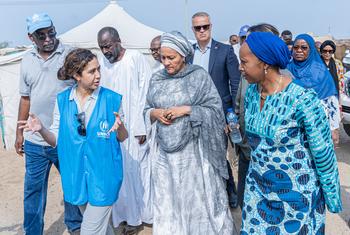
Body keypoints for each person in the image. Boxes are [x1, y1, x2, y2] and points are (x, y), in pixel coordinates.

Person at [239, 31, 342, 234]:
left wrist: (332, 197)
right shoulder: (251, 93)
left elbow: (323, 152)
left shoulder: (302, 99)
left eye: (244, 62)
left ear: (265, 63)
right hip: (258, 194)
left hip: (296, 199)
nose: (240, 68)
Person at [18, 48, 127, 235]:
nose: (98, 75)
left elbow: (122, 137)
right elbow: (56, 140)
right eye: (92, 71)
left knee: (89, 231)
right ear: (77, 75)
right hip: (76, 176)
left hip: (103, 176)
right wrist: (41, 129)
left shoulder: (111, 99)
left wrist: (121, 127)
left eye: (98, 69)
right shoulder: (62, 100)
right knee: (101, 228)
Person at [144, 30, 236, 235]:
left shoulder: (199, 77)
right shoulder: (156, 79)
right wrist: (155, 113)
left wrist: (187, 110)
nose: (166, 62)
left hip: (195, 155)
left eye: (171, 57)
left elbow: (215, 110)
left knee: (195, 199)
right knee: (169, 199)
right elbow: (146, 109)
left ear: (183, 55)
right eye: (162, 57)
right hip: (165, 158)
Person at [15, 13, 82, 235]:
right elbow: (26, 98)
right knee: (33, 191)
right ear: (30, 37)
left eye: (50, 32)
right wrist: (19, 133)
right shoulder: (27, 60)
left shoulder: (70, 54)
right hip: (35, 141)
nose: (47, 39)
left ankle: (76, 227)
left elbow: (87, 90)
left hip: (65, 137)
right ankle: (33, 232)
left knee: (72, 186)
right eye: (40, 35)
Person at [97, 27, 153, 229]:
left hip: (136, 128)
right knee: (119, 173)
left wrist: (141, 127)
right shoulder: (102, 62)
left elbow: (146, 91)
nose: (105, 51)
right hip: (113, 129)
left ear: (119, 41)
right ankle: (125, 217)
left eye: (108, 46)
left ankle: (144, 215)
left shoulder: (135, 58)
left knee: (139, 172)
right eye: (102, 47)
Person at [190, 11, 241, 208]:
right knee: (200, 154)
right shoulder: (188, 53)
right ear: (193, 29)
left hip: (220, 113)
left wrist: (233, 116)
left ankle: (230, 192)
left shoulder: (225, 51)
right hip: (195, 113)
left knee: (220, 155)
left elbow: (235, 84)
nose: (202, 31)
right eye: (198, 27)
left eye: (205, 27)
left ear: (211, 26)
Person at [234, 23, 280, 209]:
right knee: (247, 204)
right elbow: (239, 104)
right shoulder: (250, 82)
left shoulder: (292, 89)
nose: (240, 67)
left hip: (276, 171)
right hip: (247, 153)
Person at [288, 34, 341, 146]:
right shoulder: (286, 70)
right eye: (296, 47)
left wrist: (334, 128)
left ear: (311, 49)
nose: (299, 50)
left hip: (317, 126)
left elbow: (331, 101)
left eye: (304, 47)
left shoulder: (320, 72)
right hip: (291, 127)